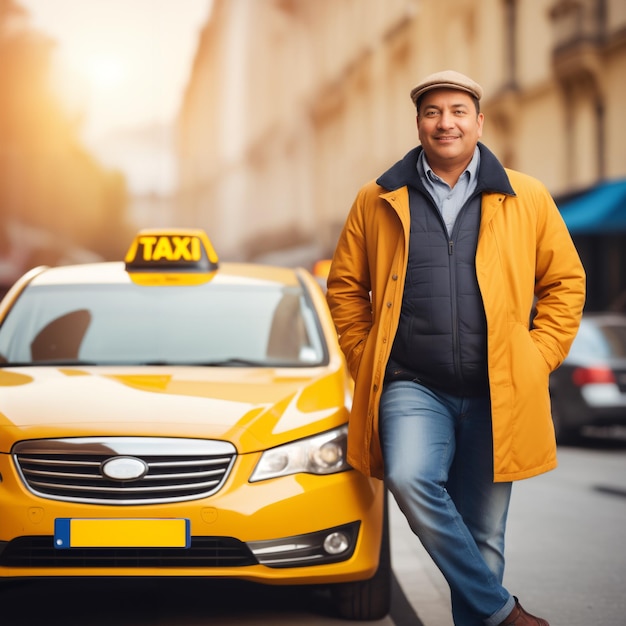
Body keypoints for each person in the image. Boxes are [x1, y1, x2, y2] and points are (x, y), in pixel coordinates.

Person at [326, 70, 586, 626]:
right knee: (409, 476)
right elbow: (346, 288)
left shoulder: (527, 196)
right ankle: (502, 613)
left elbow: (565, 282)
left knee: (485, 532)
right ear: (419, 123)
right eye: (432, 112)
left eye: (457, 111)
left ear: (478, 121)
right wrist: (365, 352)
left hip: (499, 387)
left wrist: (537, 355)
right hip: (411, 382)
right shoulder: (376, 200)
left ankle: (485, 616)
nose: (445, 122)